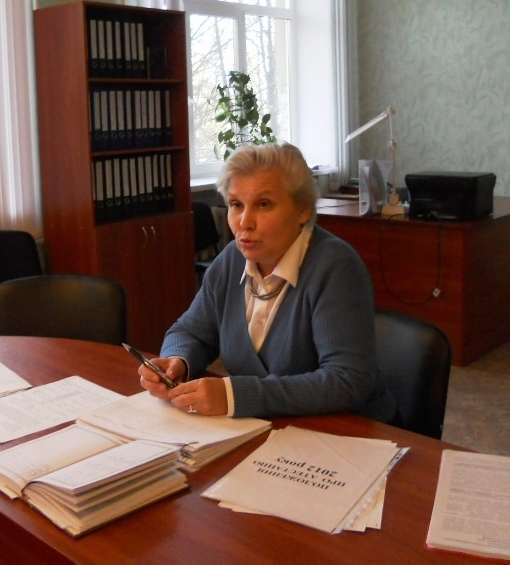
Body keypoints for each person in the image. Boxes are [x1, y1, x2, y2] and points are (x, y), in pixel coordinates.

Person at [137, 141, 397, 422]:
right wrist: (177, 362)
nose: (244, 222)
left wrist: (235, 396)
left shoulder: (336, 266)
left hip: (349, 430)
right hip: (267, 427)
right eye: (236, 205)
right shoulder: (231, 259)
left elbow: (347, 380)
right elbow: (190, 332)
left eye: (263, 204)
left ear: (303, 210)